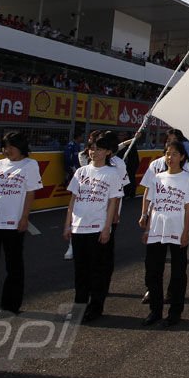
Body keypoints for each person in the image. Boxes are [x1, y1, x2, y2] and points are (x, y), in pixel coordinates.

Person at [0, 131, 43, 313]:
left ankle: (10, 305)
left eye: (12, 146)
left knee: (13, 265)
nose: (8, 150)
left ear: (22, 147)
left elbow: (30, 192)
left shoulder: (30, 165)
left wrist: (25, 217)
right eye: (5, 146)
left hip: (13, 221)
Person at [63, 130, 123, 322]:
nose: (94, 152)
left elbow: (113, 202)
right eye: (92, 148)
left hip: (98, 228)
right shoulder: (81, 172)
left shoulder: (112, 173)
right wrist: (67, 225)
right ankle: (79, 307)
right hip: (79, 227)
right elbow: (73, 199)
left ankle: (96, 307)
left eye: (99, 149)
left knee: (97, 270)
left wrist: (107, 228)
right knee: (80, 271)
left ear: (108, 152)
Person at [141, 139, 189, 327]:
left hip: (177, 230)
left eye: (174, 154)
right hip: (156, 230)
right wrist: (148, 228)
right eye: (167, 153)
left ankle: (175, 312)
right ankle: (155, 311)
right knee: (153, 272)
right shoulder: (157, 178)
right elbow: (151, 204)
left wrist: (186, 232)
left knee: (178, 274)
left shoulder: (188, 179)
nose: (170, 157)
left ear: (182, 157)